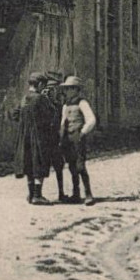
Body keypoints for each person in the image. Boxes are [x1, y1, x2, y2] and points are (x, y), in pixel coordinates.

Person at [9, 71, 53, 205]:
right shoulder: (41, 99)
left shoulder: (23, 99)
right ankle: (38, 195)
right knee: (40, 163)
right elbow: (50, 115)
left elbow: (15, 115)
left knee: (28, 164)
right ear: (39, 84)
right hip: (39, 137)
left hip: (24, 137)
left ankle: (30, 194)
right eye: (43, 86)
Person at [60, 76, 97, 205]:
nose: (67, 91)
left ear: (76, 90)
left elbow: (91, 119)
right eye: (66, 89)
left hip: (78, 136)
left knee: (80, 165)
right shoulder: (66, 105)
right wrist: (61, 136)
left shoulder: (82, 103)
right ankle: (76, 193)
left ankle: (88, 193)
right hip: (67, 138)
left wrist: (83, 132)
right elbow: (62, 123)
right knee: (71, 165)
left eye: (70, 88)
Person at [44, 71, 70, 202]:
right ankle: (37, 194)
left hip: (55, 141)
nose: (52, 92)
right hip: (44, 141)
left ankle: (61, 193)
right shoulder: (43, 105)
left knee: (59, 166)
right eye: (49, 90)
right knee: (41, 166)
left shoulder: (59, 106)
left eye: (54, 90)